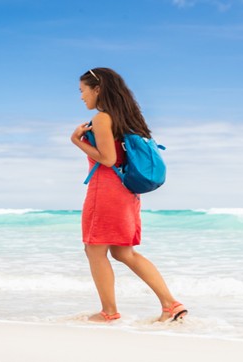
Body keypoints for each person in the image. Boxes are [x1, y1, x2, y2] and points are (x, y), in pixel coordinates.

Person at [70, 67, 187, 323]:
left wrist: (77, 141)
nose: (81, 97)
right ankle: (171, 305)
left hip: (106, 192)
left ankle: (109, 312)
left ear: (97, 89)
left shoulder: (102, 118)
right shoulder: (128, 117)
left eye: (82, 90)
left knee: (94, 251)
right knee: (124, 253)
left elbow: (108, 159)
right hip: (128, 193)